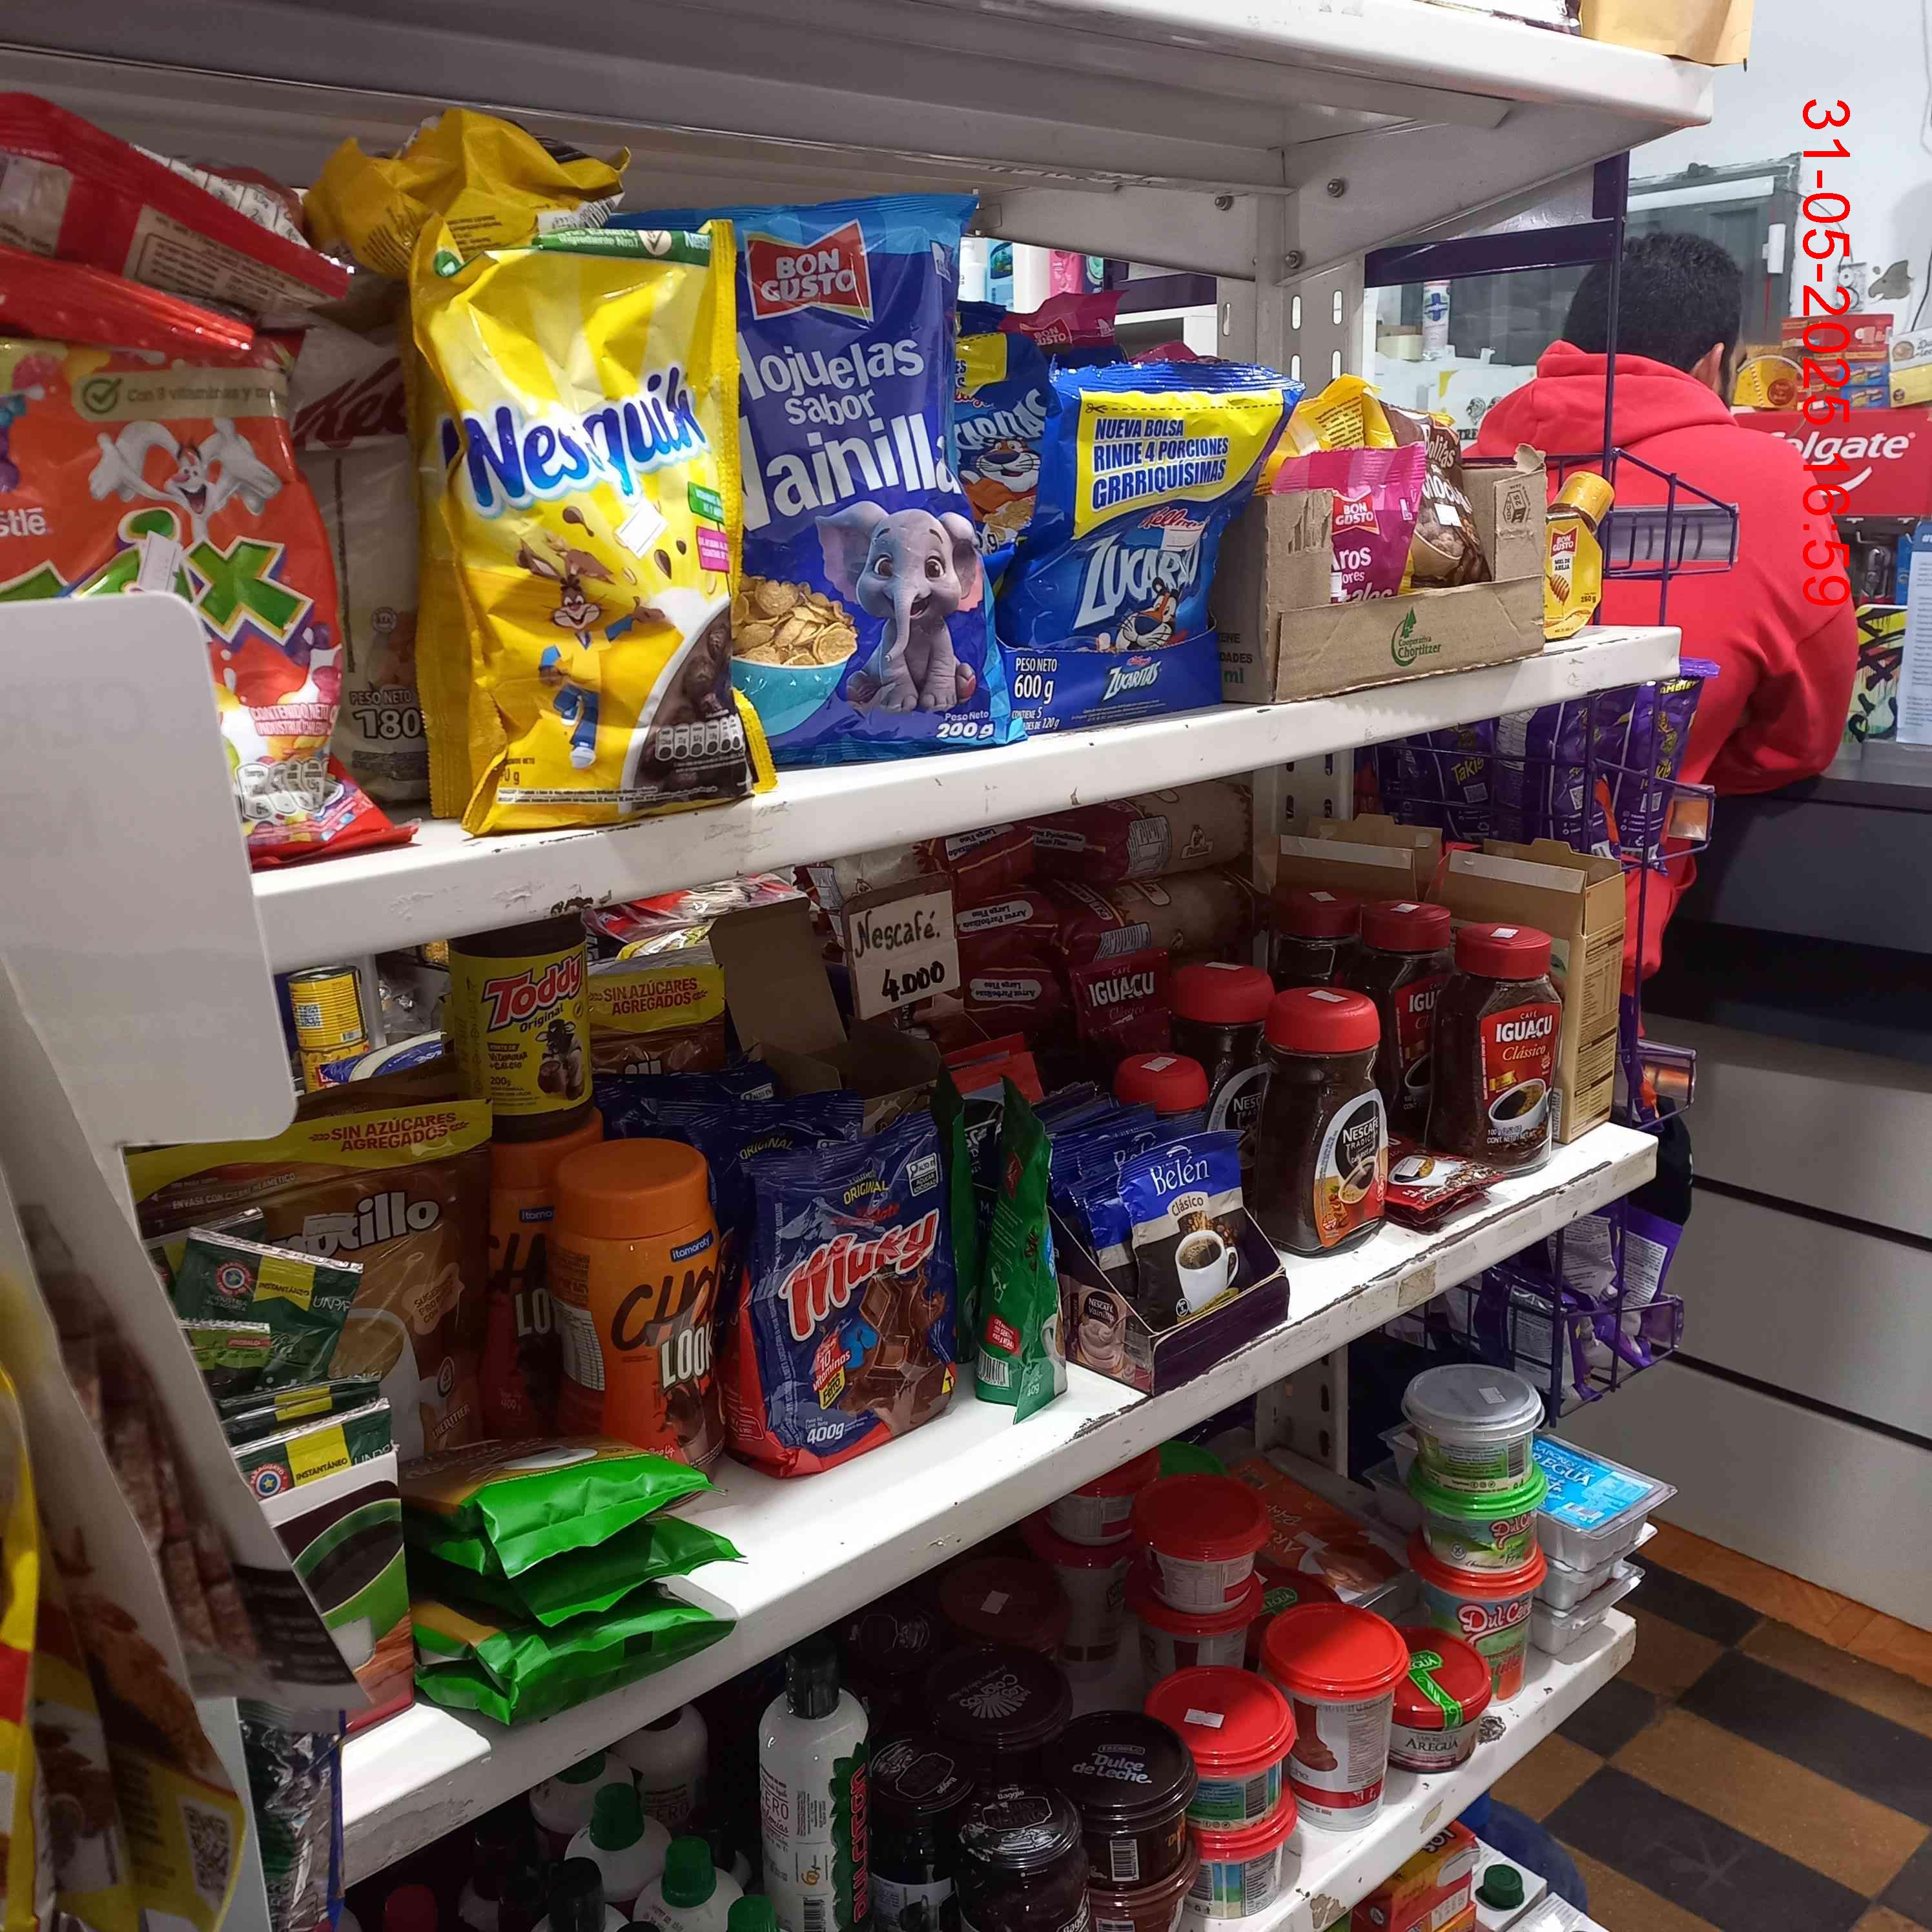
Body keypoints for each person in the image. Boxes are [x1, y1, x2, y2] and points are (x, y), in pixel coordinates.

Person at [1472, 232, 1858, 981]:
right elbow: (1802, 738)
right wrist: (1673, 773)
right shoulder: (1775, 481)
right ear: (1715, 363)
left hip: (1399, 892)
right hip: (1594, 941)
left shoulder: (1463, 466)